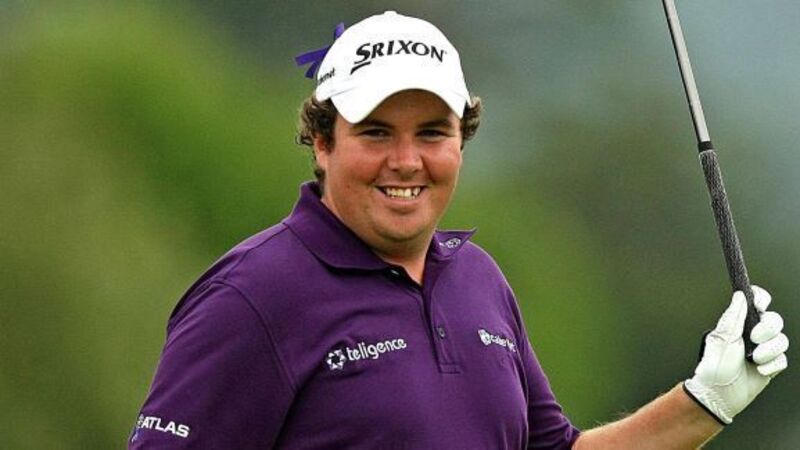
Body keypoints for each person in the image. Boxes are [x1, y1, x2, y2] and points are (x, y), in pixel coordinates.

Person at [129, 11, 789, 449]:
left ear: (462, 143)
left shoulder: (478, 281)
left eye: (432, 133)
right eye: (376, 133)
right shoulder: (251, 296)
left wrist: (703, 402)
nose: (406, 161)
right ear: (323, 143)